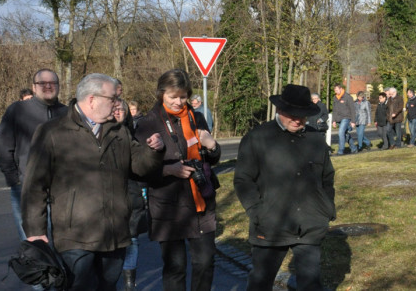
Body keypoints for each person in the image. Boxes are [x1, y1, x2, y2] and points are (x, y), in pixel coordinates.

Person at [21, 73, 165, 291]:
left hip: (115, 235)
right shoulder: (52, 132)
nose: (117, 104)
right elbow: (34, 186)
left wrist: (155, 150)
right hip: (75, 237)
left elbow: (141, 167)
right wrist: (35, 230)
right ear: (92, 99)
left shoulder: (119, 131)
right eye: (112, 99)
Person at [234, 84, 336, 291]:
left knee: (311, 284)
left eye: (303, 115)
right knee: (260, 283)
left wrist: (326, 208)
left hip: (310, 223)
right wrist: (257, 212)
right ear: (280, 110)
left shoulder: (316, 139)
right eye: (292, 114)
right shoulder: (257, 138)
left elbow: (327, 178)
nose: (297, 120)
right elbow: (243, 179)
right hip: (270, 224)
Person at [134, 69, 221, 291]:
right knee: (175, 267)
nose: (178, 102)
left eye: (182, 96)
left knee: (205, 262)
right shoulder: (148, 123)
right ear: (161, 93)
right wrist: (167, 169)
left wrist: (212, 146)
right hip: (168, 204)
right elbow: (138, 169)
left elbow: (211, 160)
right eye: (173, 96)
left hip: (200, 200)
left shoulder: (196, 117)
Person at [0, 69, 68, 243]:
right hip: (26, 189)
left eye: (53, 83)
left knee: (63, 247)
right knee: (35, 248)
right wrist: (15, 180)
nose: (48, 86)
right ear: (34, 87)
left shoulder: (67, 113)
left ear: (59, 86)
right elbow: (2, 147)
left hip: (62, 190)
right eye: (42, 83)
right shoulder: (18, 111)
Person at [113, 100, 148, 291]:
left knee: (132, 240)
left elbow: (143, 166)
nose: (118, 112)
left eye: (121, 109)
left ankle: (129, 284)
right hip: (109, 199)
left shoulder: (135, 133)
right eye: (115, 108)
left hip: (132, 194)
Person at [331, 84, 357, 155]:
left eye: (336, 90)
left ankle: (341, 150)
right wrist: (333, 120)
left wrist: (353, 121)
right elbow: (334, 110)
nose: (335, 92)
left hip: (346, 117)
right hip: (338, 118)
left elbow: (352, 109)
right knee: (345, 134)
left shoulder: (348, 97)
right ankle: (354, 148)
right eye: (335, 90)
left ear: (341, 89)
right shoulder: (335, 98)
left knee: (340, 132)